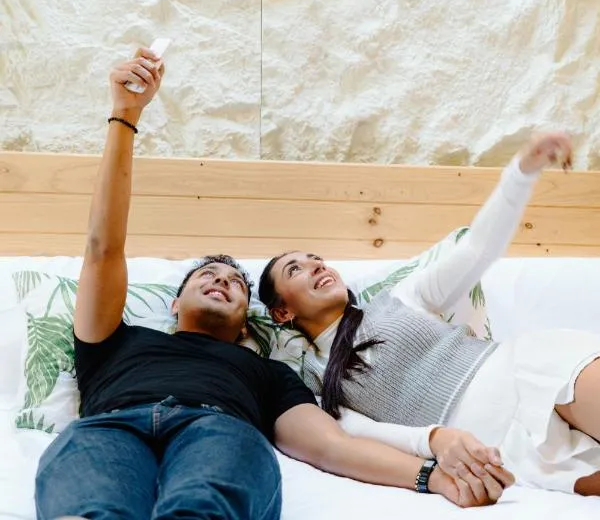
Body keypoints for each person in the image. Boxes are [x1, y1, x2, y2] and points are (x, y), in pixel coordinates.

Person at [35, 49, 516, 520]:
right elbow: (103, 248)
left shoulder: (268, 375)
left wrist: (432, 477)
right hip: (111, 427)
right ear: (175, 303)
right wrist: (125, 115)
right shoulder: (112, 340)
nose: (222, 281)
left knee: (205, 504)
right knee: (89, 506)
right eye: (207, 275)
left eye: (235, 283)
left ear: (248, 322)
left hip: (218, 427)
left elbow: (331, 447)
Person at [258, 132, 600, 497]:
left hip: (529, 371)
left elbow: (478, 249)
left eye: (316, 259)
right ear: (281, 312)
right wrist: (434, 440)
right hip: (497, 446)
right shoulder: (314, 380)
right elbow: (358, 436)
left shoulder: (399, 298)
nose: (316, 266)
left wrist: (521, 172)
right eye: (295, 269)